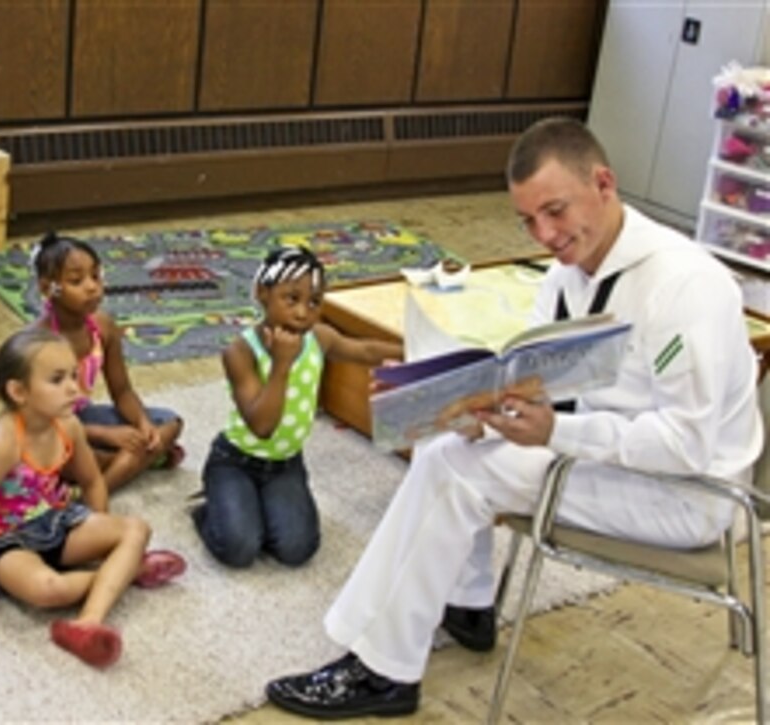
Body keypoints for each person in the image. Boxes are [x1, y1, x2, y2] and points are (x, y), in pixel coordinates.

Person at [264, 117, 764, 719]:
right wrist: (461, 403)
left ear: (603, 183)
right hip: (608, 454)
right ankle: (468, 602)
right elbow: (552, 385)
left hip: (688, 493)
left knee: (460, 473)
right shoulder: (562, 275)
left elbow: (684, 445)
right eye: (528, 220)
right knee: (445, 441)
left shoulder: (686, 286)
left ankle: (384, 670)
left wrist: (555, 430)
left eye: (555, 211)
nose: (545, 234)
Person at [0, 328, 186, 668]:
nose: (74, 388)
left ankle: (87, 622)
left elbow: (92, 482)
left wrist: (99, 526)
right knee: (48, 591)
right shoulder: (2, 442)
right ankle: (126, 572)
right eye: (58, 379)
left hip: (55, 519)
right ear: (18, 391)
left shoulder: (69, 424)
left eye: (74, 375)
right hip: (4, 539)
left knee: (135, 529)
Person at [193, 245, 402, 568]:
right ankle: (211, 505)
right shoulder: (240, 351)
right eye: (291, 298)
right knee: (239, 549)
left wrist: (419, 348)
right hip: (235, 460)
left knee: (297, 549)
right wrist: (281, 366)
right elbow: (262, 427)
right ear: (263, 293)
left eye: (314, 302)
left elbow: (363, 350)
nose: (303, 312)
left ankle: (251, 507)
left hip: (285, 464)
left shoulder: (318, 337)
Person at [0, 232, 184, 492]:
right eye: (77, 280)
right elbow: (33, 419)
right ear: (47, 287)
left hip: (81, 414)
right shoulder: (37, 342)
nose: (92, 287)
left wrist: (143, 424)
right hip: (45, 426)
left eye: (96, 276)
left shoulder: (103, 327)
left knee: (170, 423)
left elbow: (122, 391)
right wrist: (106, 435)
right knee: (66, 454)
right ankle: (121, 473)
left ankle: (110, 473)